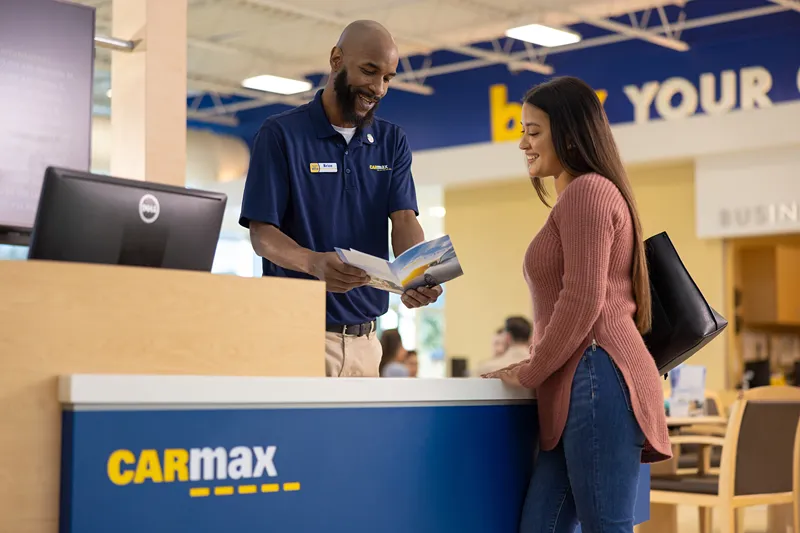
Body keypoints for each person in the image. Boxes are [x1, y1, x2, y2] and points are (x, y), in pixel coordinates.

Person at [482, 76, 672, 533]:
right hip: (581, 380)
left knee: (606, 526)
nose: (522, 143)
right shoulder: (581, 196)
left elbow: (583, 299)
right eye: (522, 130)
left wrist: (529, 369)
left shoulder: (588, 192)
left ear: (568, 134)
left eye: (533, 131)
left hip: (595, 374)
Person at [239, 20, 441, 378]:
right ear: (336, 60)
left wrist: (417, 274)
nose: (378, 88)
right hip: (295, 335)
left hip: (367, 342)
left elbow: (405, 219)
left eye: (388, 78)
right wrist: (312, 263)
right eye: (369, 71)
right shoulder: (280, 134)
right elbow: (262, 234)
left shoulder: (392, 141)